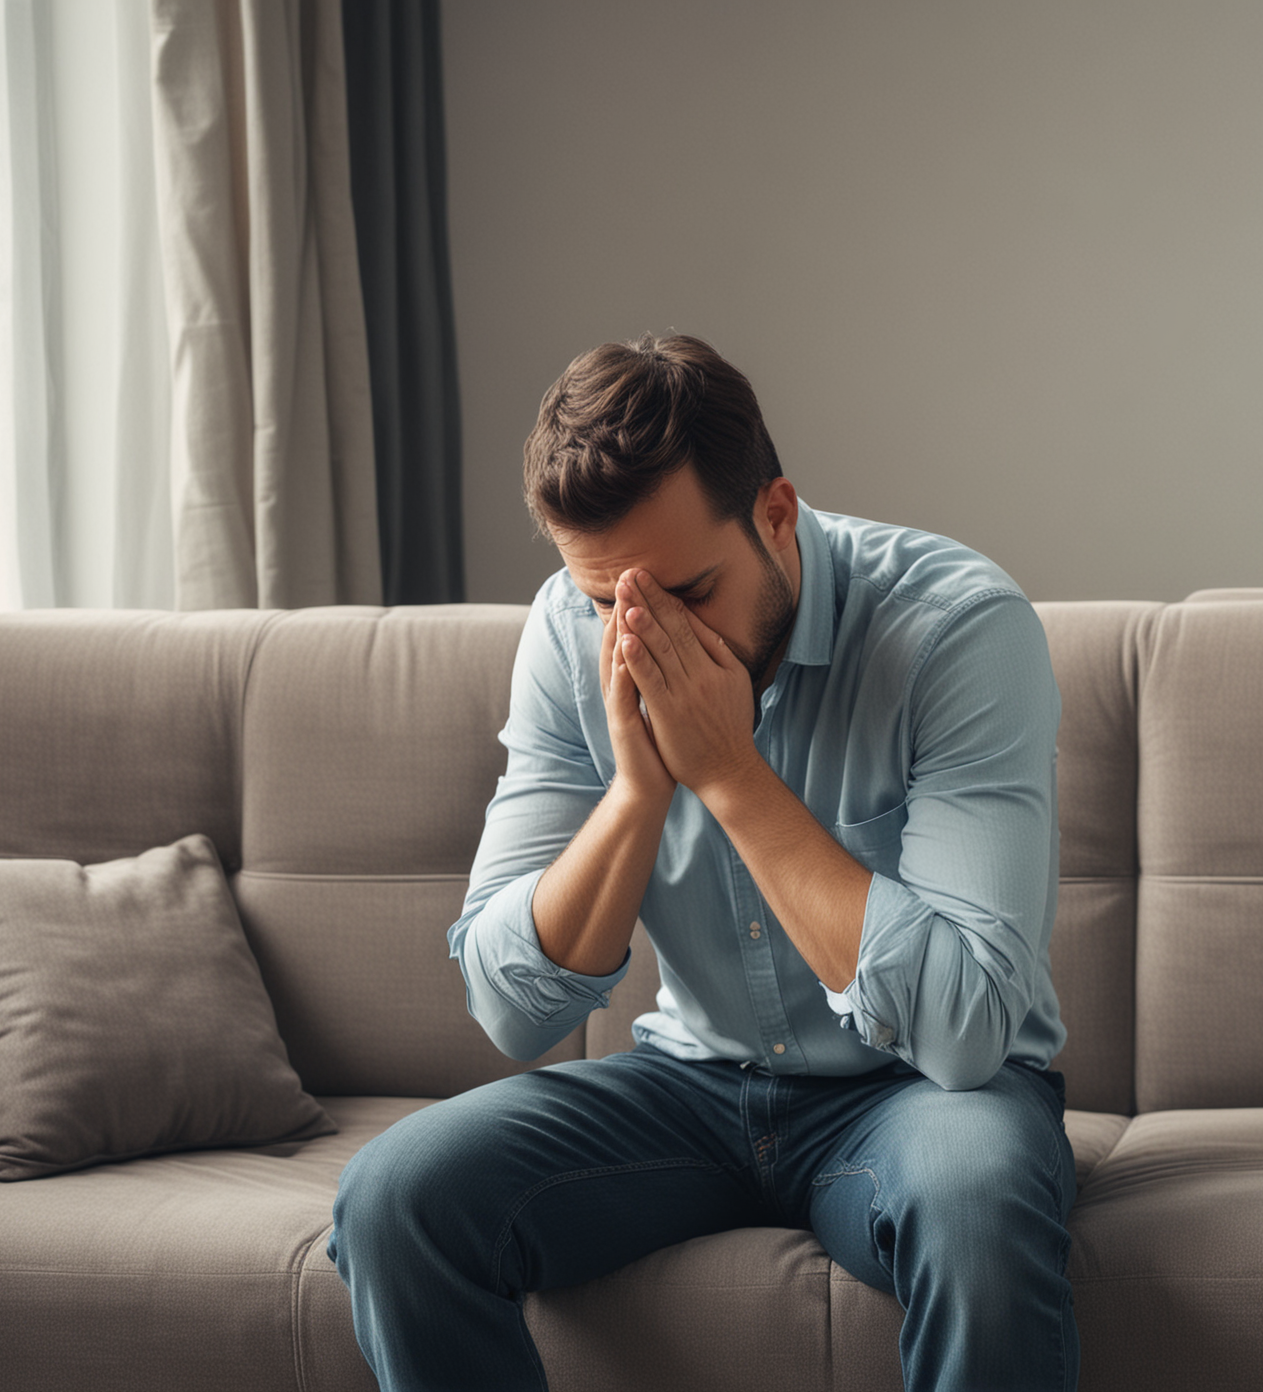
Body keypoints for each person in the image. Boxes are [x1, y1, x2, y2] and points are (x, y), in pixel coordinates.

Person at [329, 334, 1076, 1391]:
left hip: (919, 1095)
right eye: (608, 602)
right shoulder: (564, 637)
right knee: (397, 1197)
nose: (647, 637)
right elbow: (511, 1006)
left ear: (777, 514)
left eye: (688, 590)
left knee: (978, 1202)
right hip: (692, 1085)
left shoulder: (956, 629)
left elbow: (963, 1032)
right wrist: (639, 793)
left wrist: (730, 777)